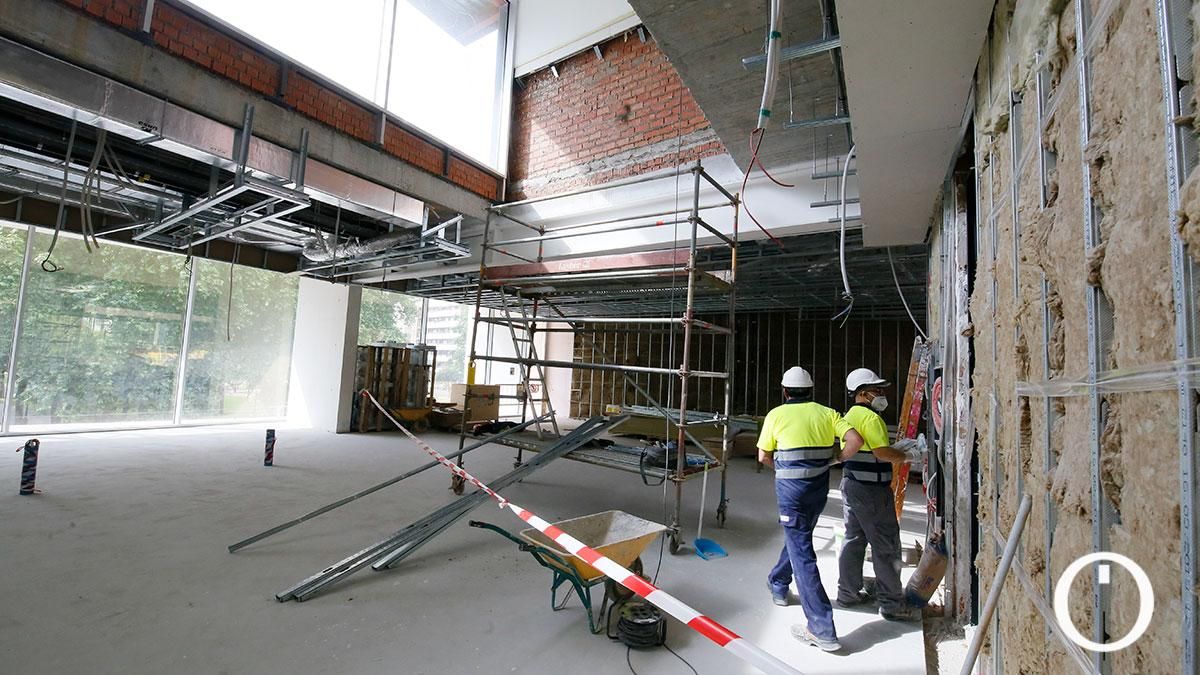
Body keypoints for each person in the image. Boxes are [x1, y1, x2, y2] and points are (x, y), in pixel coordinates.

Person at [759, 366, 864, 652]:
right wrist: (834, 460)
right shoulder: (827, 413)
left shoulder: (776, 415)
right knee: (799, 537)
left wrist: (784, 469)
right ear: (810, 390)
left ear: (784, 391)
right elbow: (855, 441)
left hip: (790, 493)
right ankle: (778, 582)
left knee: (802, 551)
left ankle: (821, 627)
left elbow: (763, 456)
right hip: (817, 490)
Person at [835, 368, 922, 622]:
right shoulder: (871, 419)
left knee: (854, 541)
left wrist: (896, 448)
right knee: (886, 545)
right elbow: (881, 453)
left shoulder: (849, 416)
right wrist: (908, 455)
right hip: (872, 491)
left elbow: (870, 449)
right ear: (863, 394)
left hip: (852, 485)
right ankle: (892, 604)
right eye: (877, 390)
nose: (881, 394)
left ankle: (847, 593)